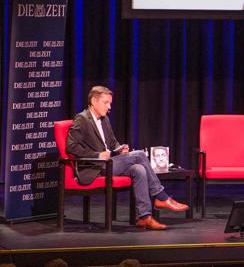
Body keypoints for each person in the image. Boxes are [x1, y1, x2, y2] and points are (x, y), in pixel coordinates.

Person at [66, 85, 189, 230]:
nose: (109, 107)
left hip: (109, 163)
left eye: (110, 103)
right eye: (106, 103)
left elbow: (111, 143)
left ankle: (144, 217)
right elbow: (71, 146)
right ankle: (161, 197)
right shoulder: (82, 118)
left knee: (139, 170)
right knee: (140, 155)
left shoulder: (104, 119)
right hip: (95, 166)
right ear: (93, 101)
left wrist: (119, 149)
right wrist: (97, 155)